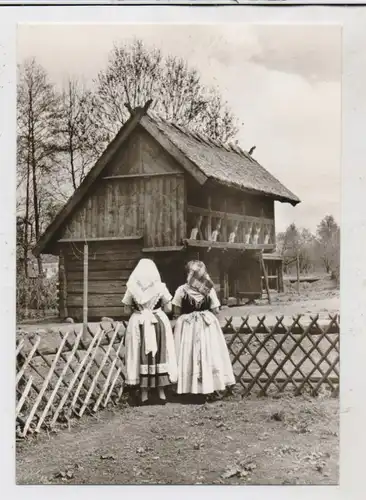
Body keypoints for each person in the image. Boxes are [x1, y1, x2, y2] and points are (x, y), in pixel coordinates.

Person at [172, 260, 236, 396]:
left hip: (188, 325)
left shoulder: (181, 290)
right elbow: (216, 309)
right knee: (208, 353)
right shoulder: (209, 289)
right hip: (206, 324)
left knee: (188, 354)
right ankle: (208, 387)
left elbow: (176, 311)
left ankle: (189, 388)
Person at [122, 259, 177, 405]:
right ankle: (161, 393)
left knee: (140, 354)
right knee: (160, 353)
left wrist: (140, 309)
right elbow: (169, 308)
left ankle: (144, 394)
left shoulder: (132, 287)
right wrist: (154, 309)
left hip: (139, 322)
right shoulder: (160, 287)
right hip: (157, 322)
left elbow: (126, 309)